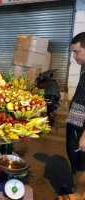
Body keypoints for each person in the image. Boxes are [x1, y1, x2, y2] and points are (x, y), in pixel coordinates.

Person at [66, 32, 85, 190]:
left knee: (82, 162)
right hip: (76, 118)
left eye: (76, 51)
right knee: (73, 154)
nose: (74, 56)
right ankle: (75, 187)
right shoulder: (84, 67)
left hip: (82, 126)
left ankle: (79, 192)